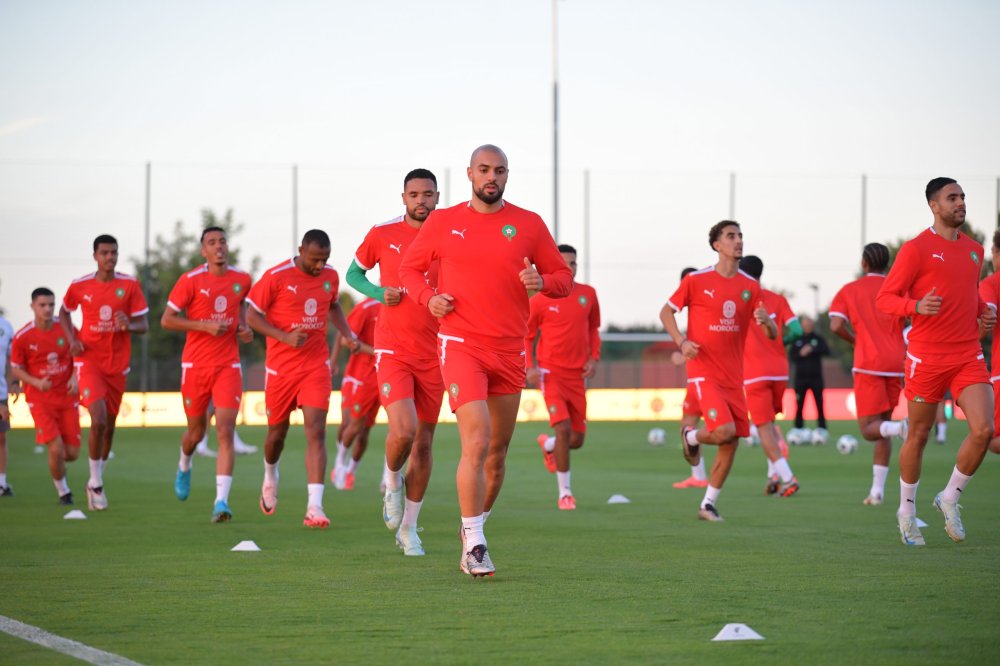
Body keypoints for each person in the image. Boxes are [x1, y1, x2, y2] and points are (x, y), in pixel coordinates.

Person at [398, 145, 573, 576]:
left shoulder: (529, 224)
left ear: (507, 176)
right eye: (483, 170)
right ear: (470, 174)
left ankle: (472, 527)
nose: (490, 177)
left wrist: (543, 280)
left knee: (496, 455)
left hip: (510, 351)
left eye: (498, 170)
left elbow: (565, 281)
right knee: (475, 441)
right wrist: (428, 297)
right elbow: (408, 271)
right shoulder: (443, 221)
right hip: (460, 345)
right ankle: (475, 543)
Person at [876, 177, 995, 546]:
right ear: (934, 206)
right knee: (919, 435)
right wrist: (915, 307)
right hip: (926, 358)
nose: (960, 203)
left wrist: (983, 311)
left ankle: (949, 498)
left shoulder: (975, 250)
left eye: (963, 197)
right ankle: (906, 512)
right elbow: (885, 299)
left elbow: (968, 293)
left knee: (983, 430)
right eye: (952, 198)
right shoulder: (915, 250)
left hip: (967, 354)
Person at [347, 168, 444, 557]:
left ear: (438, 197)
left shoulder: (451, 234)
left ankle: (409, 529)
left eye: (428, 194)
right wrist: (376, 290)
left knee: (423, 446)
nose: (421, 201)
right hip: (392, 349)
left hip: (437, 353)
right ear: (403, 198)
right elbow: (354, 272)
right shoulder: (382, 233)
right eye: (414, 194)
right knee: (403, 431)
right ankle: (391, 481)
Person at [659, 220, 774, 521]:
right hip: (703, 372)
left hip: (734, 378)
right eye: (731, 236)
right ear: (716, 245)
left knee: (731, 441)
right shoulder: (697, 280)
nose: (738, 241)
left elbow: (773, 334)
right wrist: (681, 341)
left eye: (740, 236)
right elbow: (666, 311)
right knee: (724, 432)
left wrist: (769, 322)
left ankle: (708, 504)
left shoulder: (750, 286)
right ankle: (691, 437)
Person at [246, 229, 357, 529]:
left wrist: (348, 334)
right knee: (276, 435)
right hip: (280, 370)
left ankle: (315, 506)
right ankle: (270, 474)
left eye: (324, 259)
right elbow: (251, 316)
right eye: (314, 260)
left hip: (315, 366)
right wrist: (283, 336)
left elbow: (333, 305)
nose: (320, 266)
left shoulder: (330, 277)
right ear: (300, 251)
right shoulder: (276, 276)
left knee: (316, 432)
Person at [161, 226, 254, 523]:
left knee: (225, 429)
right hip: (195, 366)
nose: (219, 247)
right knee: (196, 433)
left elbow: (242, 312)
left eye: (222, 241)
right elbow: (167, 320)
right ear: (203, 250)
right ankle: (184, 462)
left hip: (228, 364)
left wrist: (244, 328)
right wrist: (204, 326)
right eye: (212, 243)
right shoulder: (190, 280)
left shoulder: (242, 280)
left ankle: (221, 502)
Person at [60, 234, 149, 511]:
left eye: (114, 253)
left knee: (109, 426)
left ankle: (97, 477)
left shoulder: (129, 284)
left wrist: (128, 325)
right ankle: (95, 482)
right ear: (95, 256)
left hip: (118, 365)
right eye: (105, 253)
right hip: (89, 361)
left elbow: (144, 324)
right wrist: (72, 339)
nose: (110, 257)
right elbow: (64, 312)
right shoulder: (80, 285)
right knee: (97, 420)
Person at [829, 243, 909, 506]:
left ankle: (902, 428)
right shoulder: (897, 288)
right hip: (896, 363)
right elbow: (912, 320)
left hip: (868, 364)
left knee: (868, 430)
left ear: (864, 263)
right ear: (888, 264)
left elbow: (835, 324)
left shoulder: (850, 290)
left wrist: (854, 340)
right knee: (882, 427)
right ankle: (877, 492)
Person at [526, 244, 601, 510]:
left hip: (577, 375)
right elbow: (528, 336)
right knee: (563, 427)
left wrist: (594, 357)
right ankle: (565, 493)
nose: (569, 267)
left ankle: (549, 445)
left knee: (576, 440)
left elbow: (593, 328)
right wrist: (530, 366)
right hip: (550, 372)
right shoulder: (539, 300)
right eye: (564, 263)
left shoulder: (588, 294)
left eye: (573, 263)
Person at [738, 255, 801, 497]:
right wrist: (781, 342)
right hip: (779, 372)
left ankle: (788, 478)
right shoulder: (778, 299)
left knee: (762, 427)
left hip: (755, 373)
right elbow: (796, 330)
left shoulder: (741, 301)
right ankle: (773, 475)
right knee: (770, 424)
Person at [10, 288, 81, 504]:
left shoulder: (67, 329)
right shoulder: (23, 336)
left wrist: (76, 377)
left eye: (51, 305)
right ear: (32, 306)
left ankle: (58, 468)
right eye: (42, 305)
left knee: (72, 454)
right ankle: (63, 492)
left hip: (67, 398)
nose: (48, 309)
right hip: (39, 400)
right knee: (56, 447)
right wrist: (35, 382)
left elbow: (82, 355)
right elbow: (16, 368)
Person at [330, 297, 380, 492]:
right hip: (358, 376)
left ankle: (351, 470)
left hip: (381, 378)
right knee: (350, 424)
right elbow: (344, 338)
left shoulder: (403, 310)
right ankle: (339, 463)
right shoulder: (366, 308)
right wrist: (333, 362)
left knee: (365, 430)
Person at [670, 267, 709, 489]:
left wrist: (682, 354)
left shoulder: (706, 309)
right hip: (695, 379)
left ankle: (772, 441)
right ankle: (698, 476)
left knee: (723, 431)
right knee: (687, 425)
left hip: (708, 379)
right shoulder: (694, 312)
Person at [789, 315, 829, 440]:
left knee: (819, 403)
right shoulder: (797, 340)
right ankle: (798, 429)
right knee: (799, 404)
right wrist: (801, 353)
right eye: (806, 325)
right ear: (802, 326)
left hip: (816, 378)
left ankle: (822, 430)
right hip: (801, 379)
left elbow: (826, 350)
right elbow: (791, 356)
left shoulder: (817, 339)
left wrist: (813, 349)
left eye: (810, 324)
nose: (808, 327)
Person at [978, 228, 1000, 456]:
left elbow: (988, 318)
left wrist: (969, 341)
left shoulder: (992, 283)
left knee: (993, 439)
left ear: (995, 251)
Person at [0, 311, 14, 497]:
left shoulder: (6, 326)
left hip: (1, 392)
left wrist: (13, 383)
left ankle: (2, 483)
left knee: (1, 438)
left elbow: (12, 359)